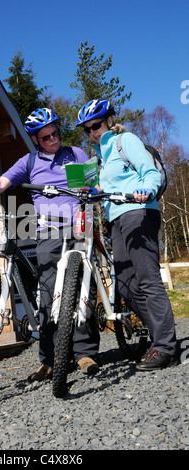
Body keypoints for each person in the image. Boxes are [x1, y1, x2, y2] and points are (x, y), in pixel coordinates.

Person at [0, 108, 100, 381]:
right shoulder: (29, 162)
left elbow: (95, 185)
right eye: (45, 137)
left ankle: (85, 353)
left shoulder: (77, 154)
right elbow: (2, 182)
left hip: (80, 224)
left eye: (55, 133)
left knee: (84, 288)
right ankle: (50, 359)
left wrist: (91, 190)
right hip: (47, 231)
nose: (53, 140)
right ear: (36, 139)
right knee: (47, 293)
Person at [76, 99, 177, 371]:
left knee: (146, 278)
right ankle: (160, 338)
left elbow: (150, 172)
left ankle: (166, 347)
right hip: (116, 219)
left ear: (109, 120)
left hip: (139, 211)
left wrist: (148, 190)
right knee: (125, 285)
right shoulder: (98, 157)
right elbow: (101, 188)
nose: (92, 132)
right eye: (86, 130)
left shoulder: (125, 140)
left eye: (95, 125)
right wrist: (88, 188)